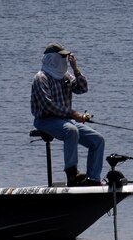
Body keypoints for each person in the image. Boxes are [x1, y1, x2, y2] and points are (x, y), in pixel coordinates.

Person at [31, 43, 105, 186]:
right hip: (45, 120)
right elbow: (48, 105)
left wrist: (75, 69)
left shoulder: (64, 76)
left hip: (64, 119)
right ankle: (72, 174)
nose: (65, 60)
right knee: (71, 130)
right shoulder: (41, 78)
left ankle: (93, 179)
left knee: (97, 140)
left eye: (66, 57)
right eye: (62, 57)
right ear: (52, 58)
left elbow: (82, 88)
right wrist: (73, 114)